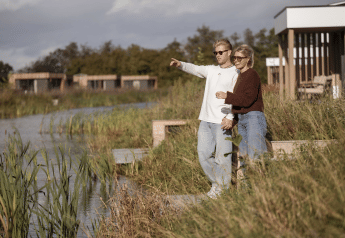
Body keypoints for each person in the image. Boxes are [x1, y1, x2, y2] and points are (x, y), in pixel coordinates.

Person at [170, 39, 239, 198]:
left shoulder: (236, 72)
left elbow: (236, 97)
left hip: (223, 121)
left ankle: (224, 191)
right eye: (215, 53)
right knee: (203, 155)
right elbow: (196, 69)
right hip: (206, 121)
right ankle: (218, 185)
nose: (218, 55)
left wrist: (230, 117)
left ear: (229, 52)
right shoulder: (212, 70)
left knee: (223, 159)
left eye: (221, 52)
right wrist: (180, 64)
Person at [216, 44, 267, 161]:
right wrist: (232, 121)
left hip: (253, 118)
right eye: (234, 58)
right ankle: (246, 179)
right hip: (242, 119)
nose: (236, 60)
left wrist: (227, 96)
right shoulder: (240, 76)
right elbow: (240, 103)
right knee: (244, 157)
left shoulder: (252, 74)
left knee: (256, 156)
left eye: (240, 58)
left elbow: (247, 100)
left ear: (247, 59)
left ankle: (260, 179)